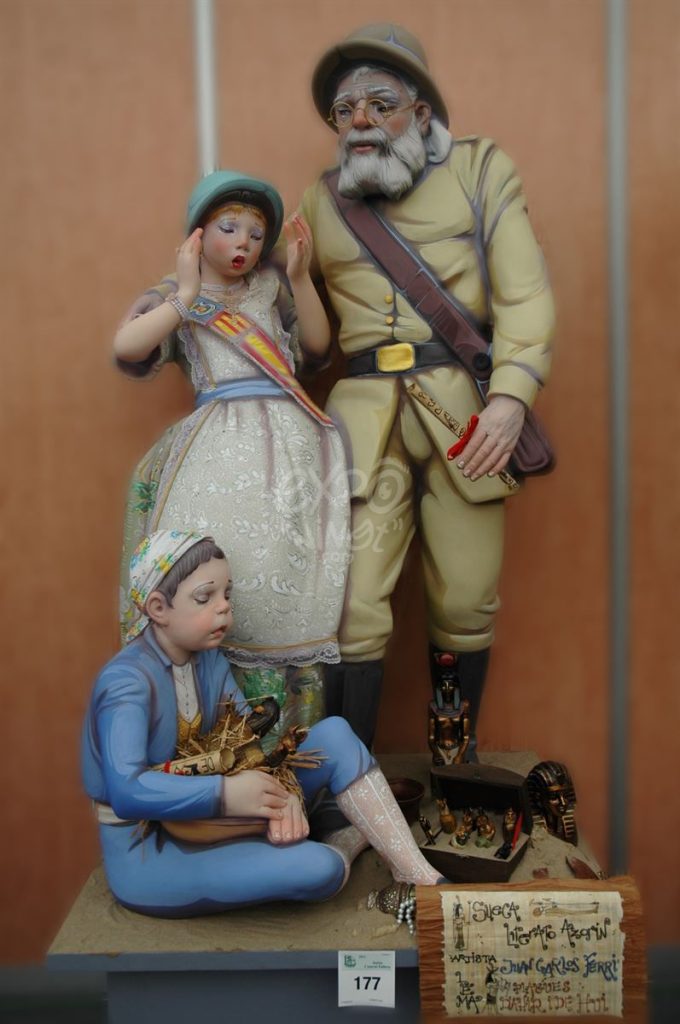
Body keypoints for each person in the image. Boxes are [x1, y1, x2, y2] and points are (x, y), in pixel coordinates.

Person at [128, 24, 556, 757]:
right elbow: (262, 289)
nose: (360, 121)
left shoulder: (481, 170)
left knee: (465, 600)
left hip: (465, 422)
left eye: (380, 103)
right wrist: (176, 300)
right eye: (344, 109)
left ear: (422, 112)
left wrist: (512, 397)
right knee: (351, 610)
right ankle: (349, 776)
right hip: (358, 429)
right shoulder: (319, 204)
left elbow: (526, 294)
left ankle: (456, 759)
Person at [82, 530, 442, 917]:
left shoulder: (208, 659)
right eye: (204, 597)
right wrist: (228, 795)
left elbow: (247, 746)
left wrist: (283, 795)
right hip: (150, 848)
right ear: (158, 607)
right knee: (321, 868)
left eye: (226, 595)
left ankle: (418, 875)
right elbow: (126, 790)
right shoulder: (126, 684)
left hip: (216, 815)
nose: (223, 608)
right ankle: (341, 841)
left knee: (334, 734)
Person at [115, 171, 350, 747]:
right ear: (198, 234)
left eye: (255, 233)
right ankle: (220, 735)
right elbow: (128, 346)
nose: (243, 242)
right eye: (228, 228)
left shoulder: (270, 287)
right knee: (222, 570)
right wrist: (184, 296)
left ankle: (290, 746)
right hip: (217, 448)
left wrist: (300, 277)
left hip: (289, 450)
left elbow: (317, 348)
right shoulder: (178, 293)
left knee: (285, 576)